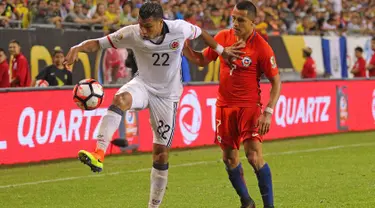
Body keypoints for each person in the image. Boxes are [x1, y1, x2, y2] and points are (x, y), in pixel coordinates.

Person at [64, 2, 242, 208]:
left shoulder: (179, 29)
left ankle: (153, 206)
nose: (143, 30)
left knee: (160, 153)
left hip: (168, 96)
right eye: (141, 25)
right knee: (120, 99)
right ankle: (98, 153)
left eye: (148, 27)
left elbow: (201, 32)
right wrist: (78, 47)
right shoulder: (132, 33)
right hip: (143, 85)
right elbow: (99, 43)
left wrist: (222, 51)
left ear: (160, 22)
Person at [183, 1, 281, 208]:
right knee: (229, 159)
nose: (235, 23)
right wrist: (184, 48)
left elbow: (276, 82)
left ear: (253, 21)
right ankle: (246, 201)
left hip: (249, 108)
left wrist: (268, 112)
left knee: (254, 156)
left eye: (241, 20)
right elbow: (202, 61)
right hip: (224, 107)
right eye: (233, 18)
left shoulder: (262, 47)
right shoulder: (222, 37)